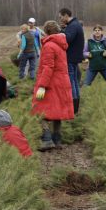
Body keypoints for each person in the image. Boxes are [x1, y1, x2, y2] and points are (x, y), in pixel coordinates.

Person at [32, 20, 74, 151]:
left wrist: (42, 85)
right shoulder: (60, 45)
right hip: (62, 82)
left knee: (39, 110)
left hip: (51, 83)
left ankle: (46, 139)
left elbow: (48, 68)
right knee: (58, 111)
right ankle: (57, 140)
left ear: (47, 31)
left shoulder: (49, 46)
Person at [58, 8, 84, 114]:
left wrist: (60, 32)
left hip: (70, 58)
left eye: (61, 17)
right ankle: (75, 108)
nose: (60, 19)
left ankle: (73, 107)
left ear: (65, 15)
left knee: (71, 83)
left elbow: (67, 39)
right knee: (74, 82)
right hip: (74, 57)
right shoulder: (75, 24)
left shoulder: (73, 26)